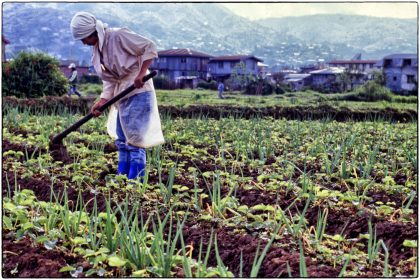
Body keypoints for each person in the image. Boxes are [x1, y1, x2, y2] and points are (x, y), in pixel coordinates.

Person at [70, 11, 165, 180]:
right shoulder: (96, 52)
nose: (84, 42)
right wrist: (102, 101)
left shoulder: (118, 36)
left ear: (93, 32)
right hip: (120, 94)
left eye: (84, 38)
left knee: (135, 140)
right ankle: (122, 177)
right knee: (122, 139)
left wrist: (141, 73)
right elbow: (110, 81)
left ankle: (136, 181)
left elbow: (149, 47)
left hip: (138, 91)